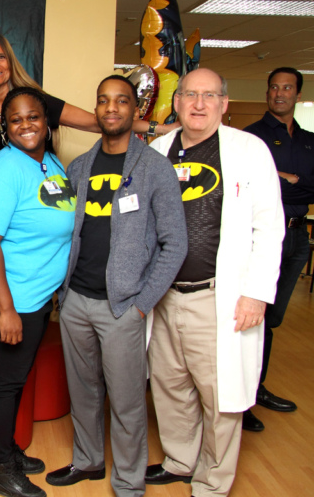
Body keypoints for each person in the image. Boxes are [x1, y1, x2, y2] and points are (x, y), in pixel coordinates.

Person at [45, 76, 187, 496]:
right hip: (75, 303)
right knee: (83, 392)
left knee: (126, 403)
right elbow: (63, 233)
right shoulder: (79, 166)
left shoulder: (154, 168)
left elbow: (174, 243)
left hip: (122, 307)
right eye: (103, 101)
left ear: (134, 110)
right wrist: (61, 294)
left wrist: (143, 303)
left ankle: (128, 483)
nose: (111, 108)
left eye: (121, 101)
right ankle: (88, 462)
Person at [145, 68, 284, 496]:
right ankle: (180, 459)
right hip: (164, 295)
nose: (199, 104)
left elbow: (270, 225)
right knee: (170, 385)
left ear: (224, 103)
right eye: (190, 94)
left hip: (218, 298)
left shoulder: (248, 150)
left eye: (209, 96)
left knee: (220, 394)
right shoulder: (158, 149)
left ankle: (212, 480)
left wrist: (256, 294)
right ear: (178, 102)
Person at [0, 87, 76, 497]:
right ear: (4, 126)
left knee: (15, 378)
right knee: (4, 382)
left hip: (34, 294)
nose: (26, 125)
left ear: (47, 122)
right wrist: (6, 309)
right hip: (4, 295)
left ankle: (6, 449)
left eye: (34, 117)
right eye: (16, 119)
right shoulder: (1, 171)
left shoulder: (49, 162)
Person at [0, 33, 176, 166]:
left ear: (10, 62)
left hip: (36, 198)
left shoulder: (32, 102)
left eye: (1, 57)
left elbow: (98, 122)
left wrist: (159, 129)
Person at [242, 67, 314, 432]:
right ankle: (241, 401)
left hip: (297, 238)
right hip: (259, 239)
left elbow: (311, 190)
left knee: (271, 320)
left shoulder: (308, 141)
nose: (280, 93)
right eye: (274, 88)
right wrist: (287, 182)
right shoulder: (251, 139)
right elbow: (252, 190)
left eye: (287, 88)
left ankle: (256, 388)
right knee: (250, 318)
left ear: (297, 95)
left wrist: (287, 182)